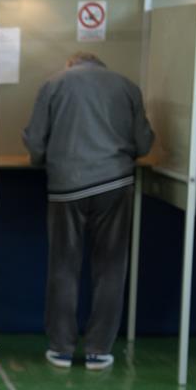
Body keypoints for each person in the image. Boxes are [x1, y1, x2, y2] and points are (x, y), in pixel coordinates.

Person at [23, 52, 154, 370]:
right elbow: (144, 143)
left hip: (66, 186)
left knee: (63, 266)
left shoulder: (52, 84)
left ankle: (61, 348)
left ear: (70, 64)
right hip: (115, 184)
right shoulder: (127, 86)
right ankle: (99, 349)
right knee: (111, 268)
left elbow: (36, 141)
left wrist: (43, 162)